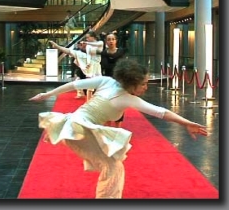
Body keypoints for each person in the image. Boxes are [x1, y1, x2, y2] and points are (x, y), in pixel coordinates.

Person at [29, 59, 208, 199]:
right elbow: (162, 113)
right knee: (113, 166)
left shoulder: (106, 81)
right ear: (132, 83)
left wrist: (48, 94)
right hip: (79, 129)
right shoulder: (128, 98)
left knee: (113, 165)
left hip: (73, 126)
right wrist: (186, 123)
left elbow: (74, 85)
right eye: (144, 84)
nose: (146, 87)